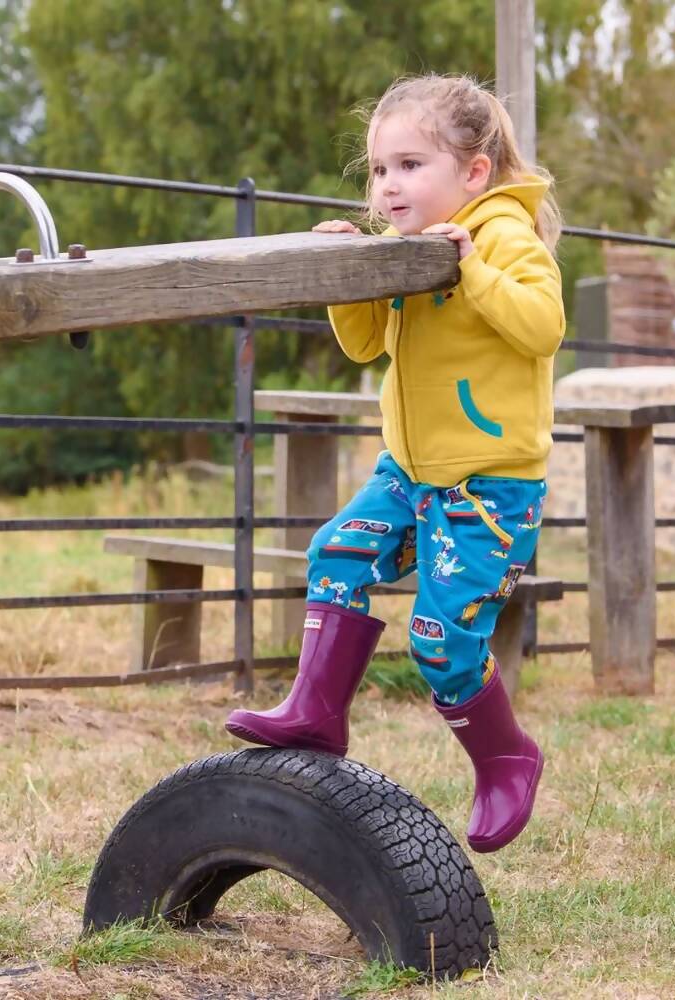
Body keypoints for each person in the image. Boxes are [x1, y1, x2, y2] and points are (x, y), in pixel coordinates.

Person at [226, 73, 565, 853]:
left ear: (473, 172)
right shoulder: (403, 244)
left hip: (489, 485)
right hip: (409, 473)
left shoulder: (504, 237)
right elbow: (365, 342)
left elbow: (542, 327)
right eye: (379, 170)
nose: (388, 186)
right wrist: (349, 280)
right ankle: (316, 710)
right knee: (334, 553)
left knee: (441, 642)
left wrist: (469, 268)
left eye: (410, 165)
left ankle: (506, 756)